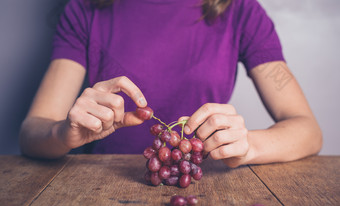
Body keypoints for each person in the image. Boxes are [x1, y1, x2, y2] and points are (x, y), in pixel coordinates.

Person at [19, 0, 322, 168]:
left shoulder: (242, 11)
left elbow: (307, 130)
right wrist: (63, 133)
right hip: (99, 192)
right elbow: (32, 132)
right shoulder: (83, 9)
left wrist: (250, 147)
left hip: (201, 189)